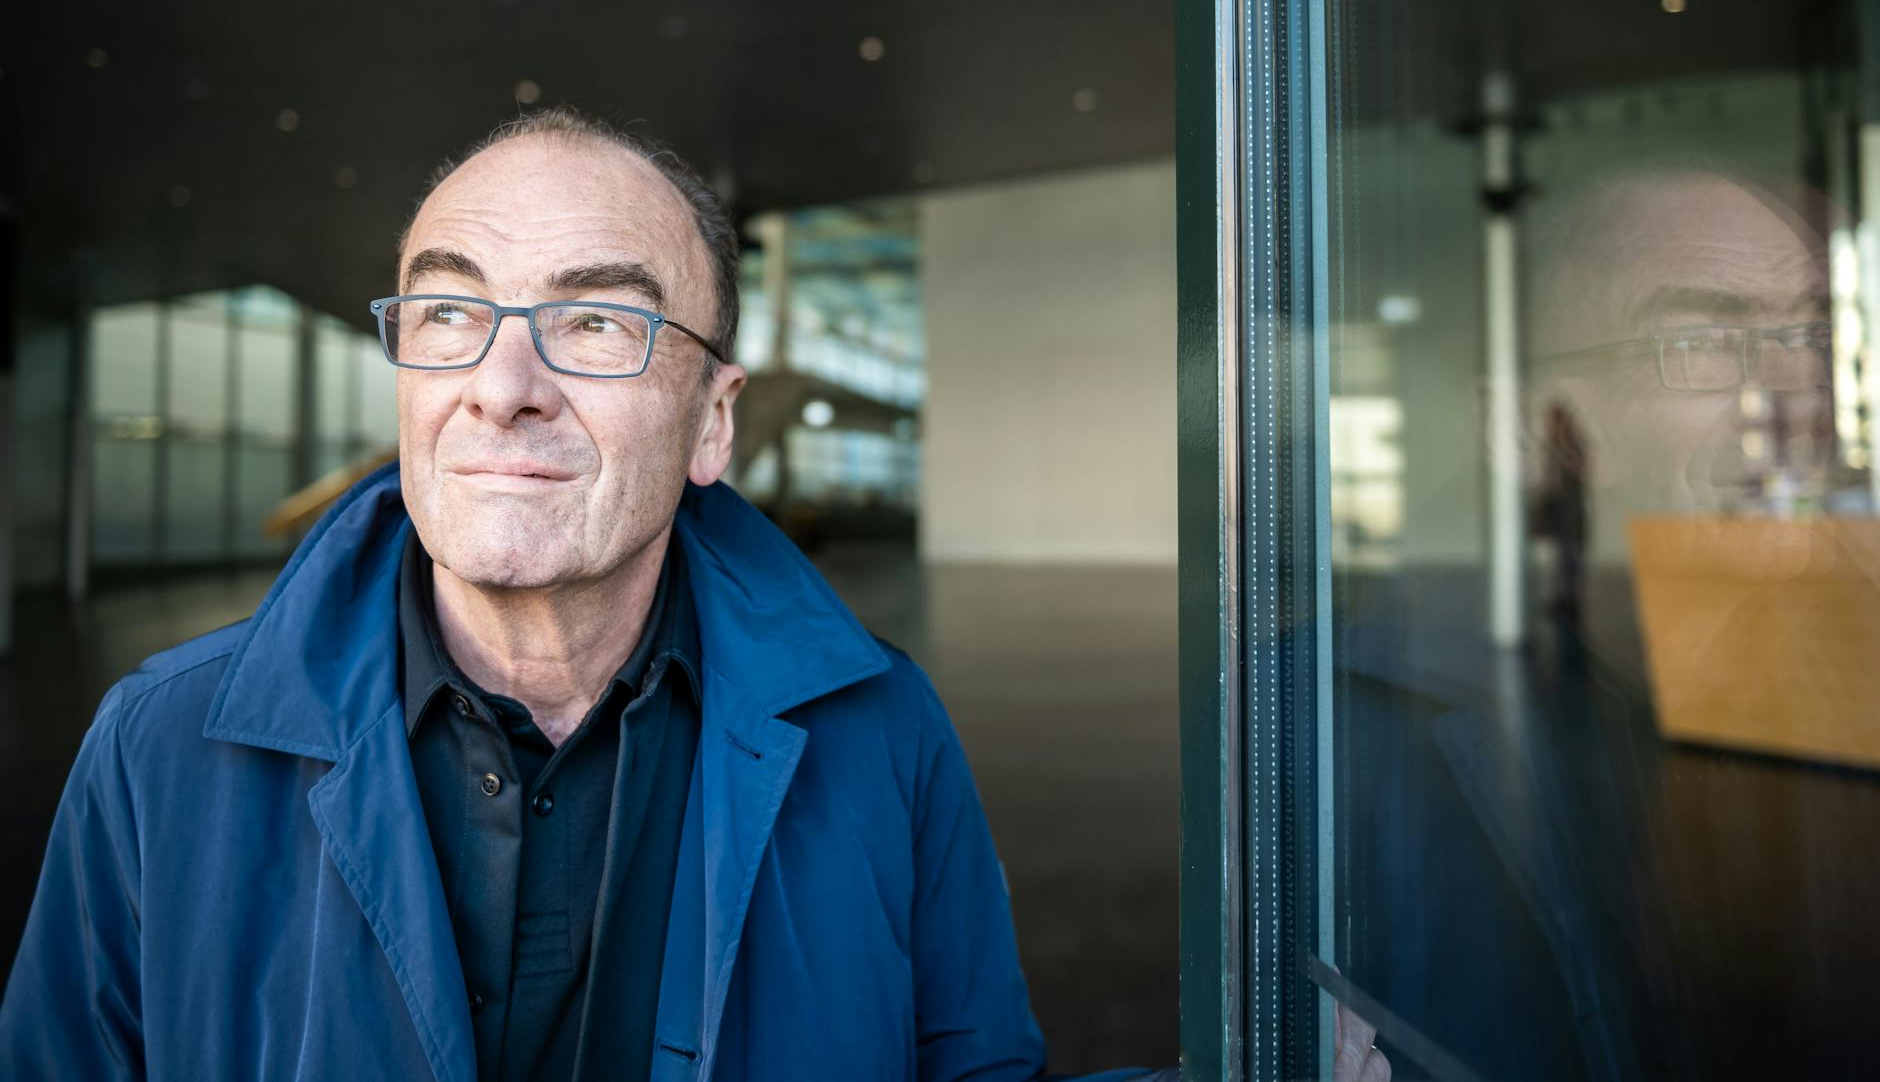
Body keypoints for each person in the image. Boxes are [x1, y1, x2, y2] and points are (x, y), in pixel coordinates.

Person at [0, 106, 1385, 1082]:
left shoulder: (878, 731)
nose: (502, 385)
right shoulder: (161, 747)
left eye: (595, 322)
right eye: (449, 313)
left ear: (715, 421)